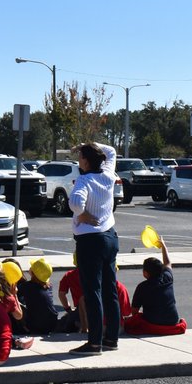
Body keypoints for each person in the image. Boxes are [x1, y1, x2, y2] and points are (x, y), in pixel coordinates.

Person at [68, 142, 120, 353]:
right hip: (110, 237)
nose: (78, 160)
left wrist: (81, 214)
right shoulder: (108, 175)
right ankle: (111, 339)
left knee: (92, 292)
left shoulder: (84, 179)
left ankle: (94, 342)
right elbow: (111, 151)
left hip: (90, 241)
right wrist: (87, 145)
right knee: (110, 291)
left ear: (87, 161)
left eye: (80, 156)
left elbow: (75, 203)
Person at [124, 236, 187, 336]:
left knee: (131, 321)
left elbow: (134, 311)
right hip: (172, 321)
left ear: (145, 273)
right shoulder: (168, 277)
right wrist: (163, 246)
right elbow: (168, 263)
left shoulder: (142, 287)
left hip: (153, 323)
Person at [20, 258, 58, 337]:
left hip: (34, 326)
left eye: (31, 268)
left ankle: (23, 328)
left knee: (17, 305)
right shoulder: (49, 286)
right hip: (51, 324)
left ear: (33, 273)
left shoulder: (27, 286)